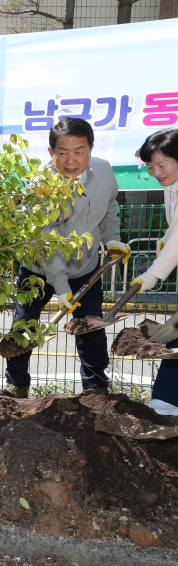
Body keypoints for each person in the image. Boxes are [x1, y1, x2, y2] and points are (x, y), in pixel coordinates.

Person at [0, 117, 130, 399]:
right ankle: (16, 385)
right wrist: (61, 287)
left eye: (79, 151)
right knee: (24, 327)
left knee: (90, 329)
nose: (71, 160)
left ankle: (95, 389)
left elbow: (109, 207)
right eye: (63, 153)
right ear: (50, 153)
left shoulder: (104, 172)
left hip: (86, 268)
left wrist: (112, 240)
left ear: (91, 149)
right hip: (38, 271)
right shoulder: (40, 186)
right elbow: (45, 240)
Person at [129, 129, 178, 415]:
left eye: (162, 165)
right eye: (150, 167)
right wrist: (165, 238)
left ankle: (167, 401)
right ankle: (166, 400)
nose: (156, 172)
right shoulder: (171, 186)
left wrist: (152, 274)